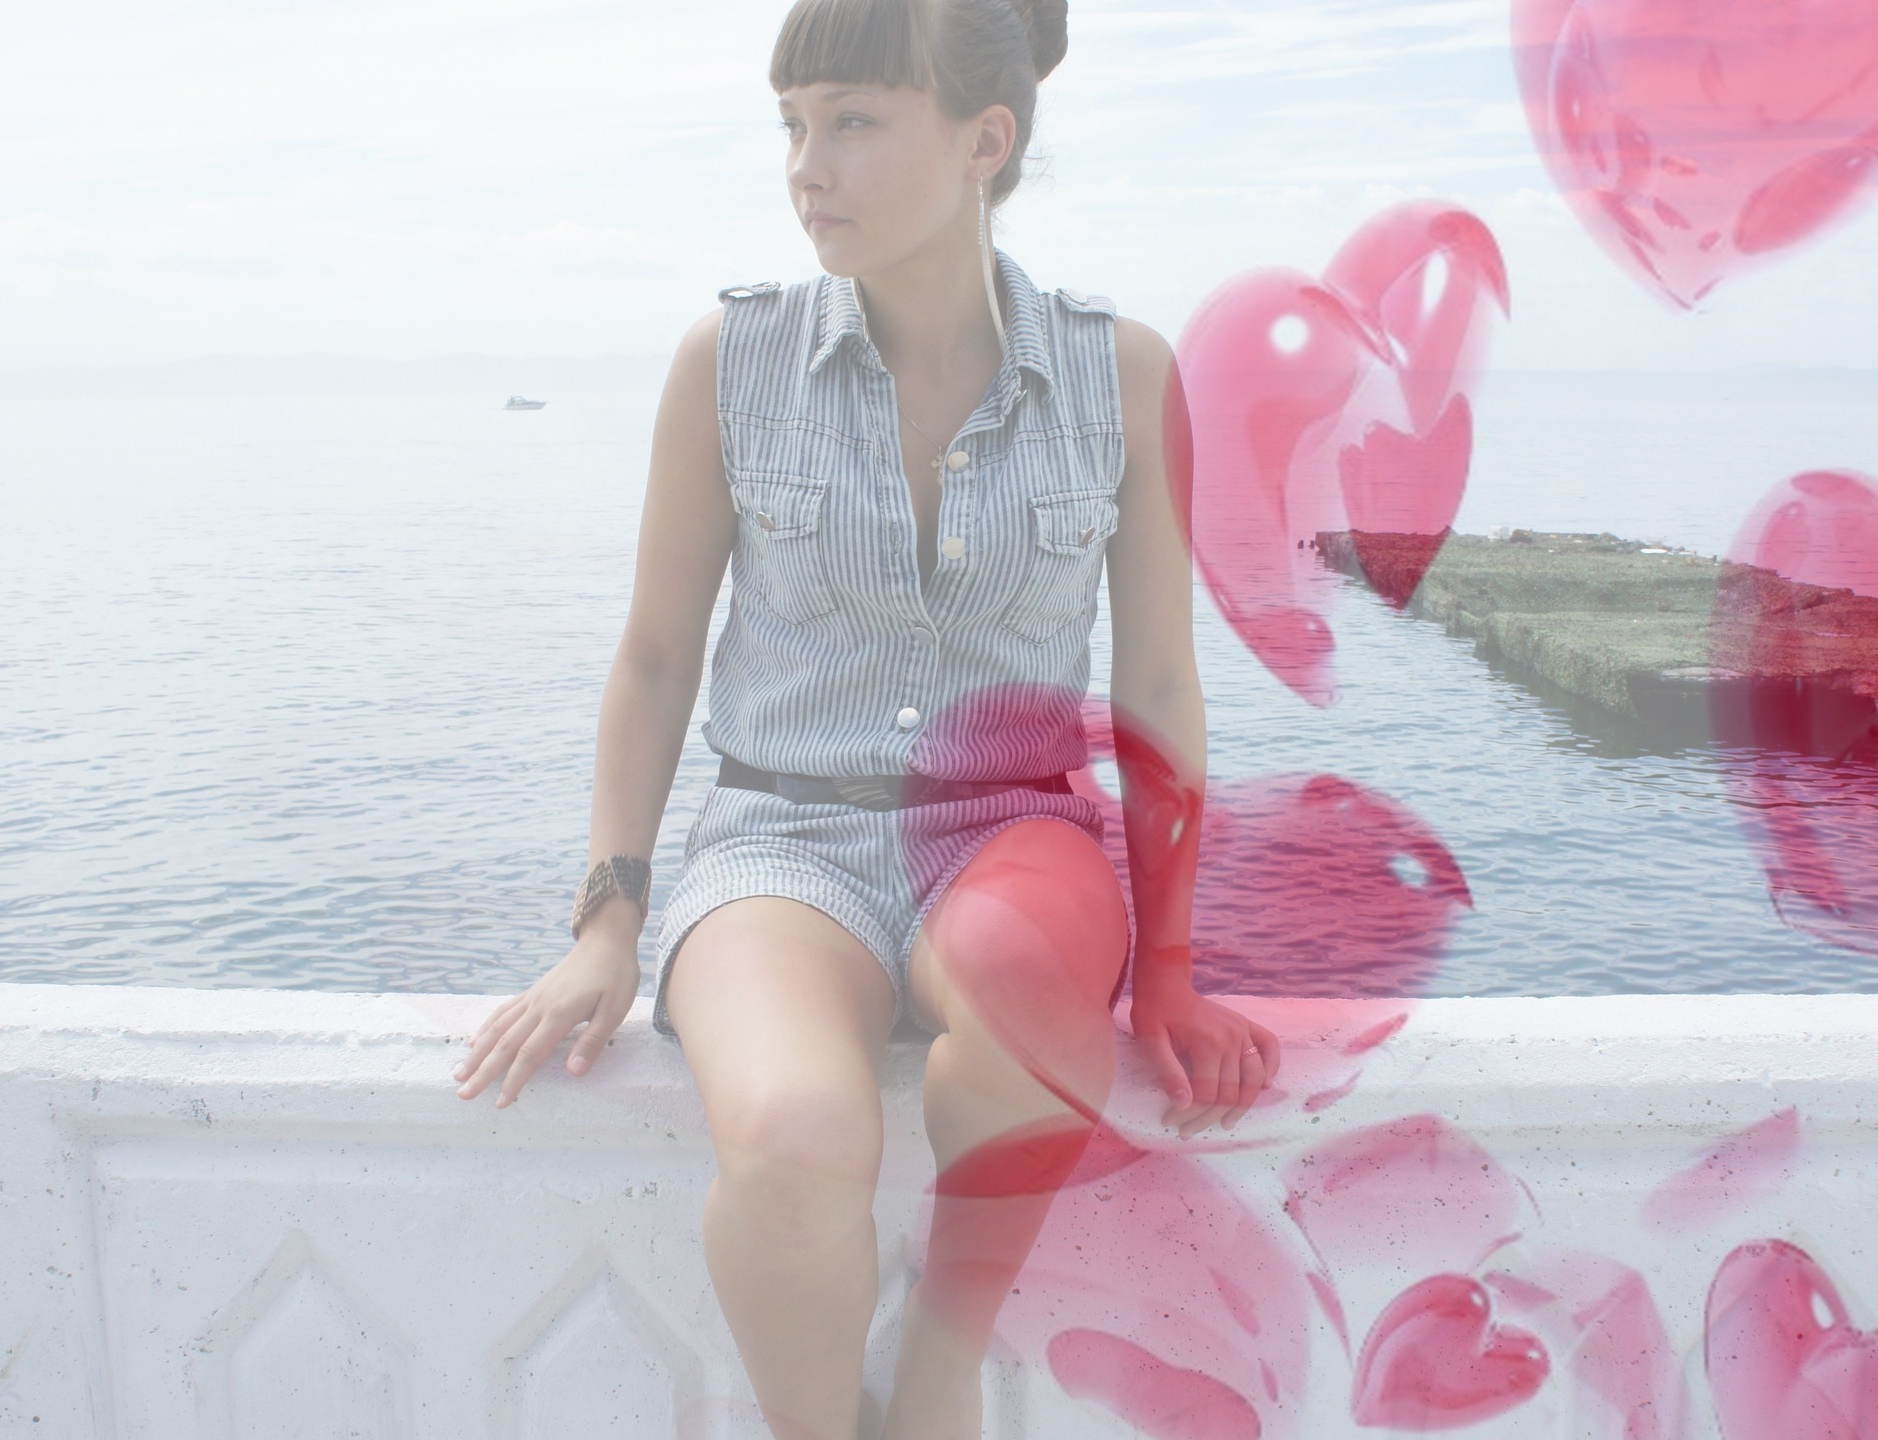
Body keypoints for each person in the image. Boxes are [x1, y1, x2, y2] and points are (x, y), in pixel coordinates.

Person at [453, 0, 1279, 1434]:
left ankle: (938, 1382)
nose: (806, 166)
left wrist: (1171, 971)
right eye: (792, 124)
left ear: (984, 139)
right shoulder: (731, 359)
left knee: (1029, 1002)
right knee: (791, 1134)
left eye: (850, 121)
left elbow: (1155, 688)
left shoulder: (1123, 375)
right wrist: (606, 924)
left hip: (1013, 827)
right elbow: (654, 660)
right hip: (780, 840)